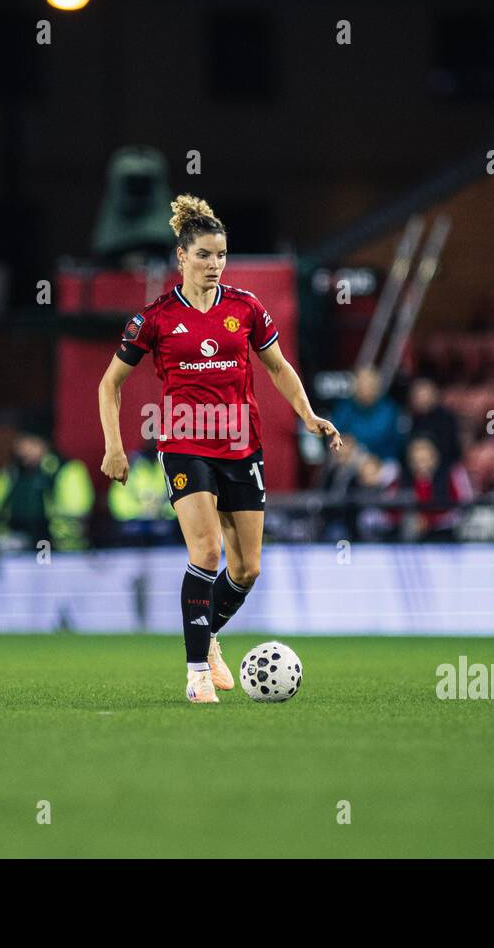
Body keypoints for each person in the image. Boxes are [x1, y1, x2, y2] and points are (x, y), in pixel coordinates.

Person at [98, 194, 339, 704]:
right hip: (184, 442)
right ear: (181, 257)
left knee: (247, 568)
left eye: (221, 255)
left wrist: (308, 414)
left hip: (240, 445)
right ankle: (196, 674)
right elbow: (109, 384)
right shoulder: (155, 318)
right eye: (204, 255)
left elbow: (277, 367)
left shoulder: (245, 308)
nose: (214, 264)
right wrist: (114, 447)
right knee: (206, 553)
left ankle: (207, 638)